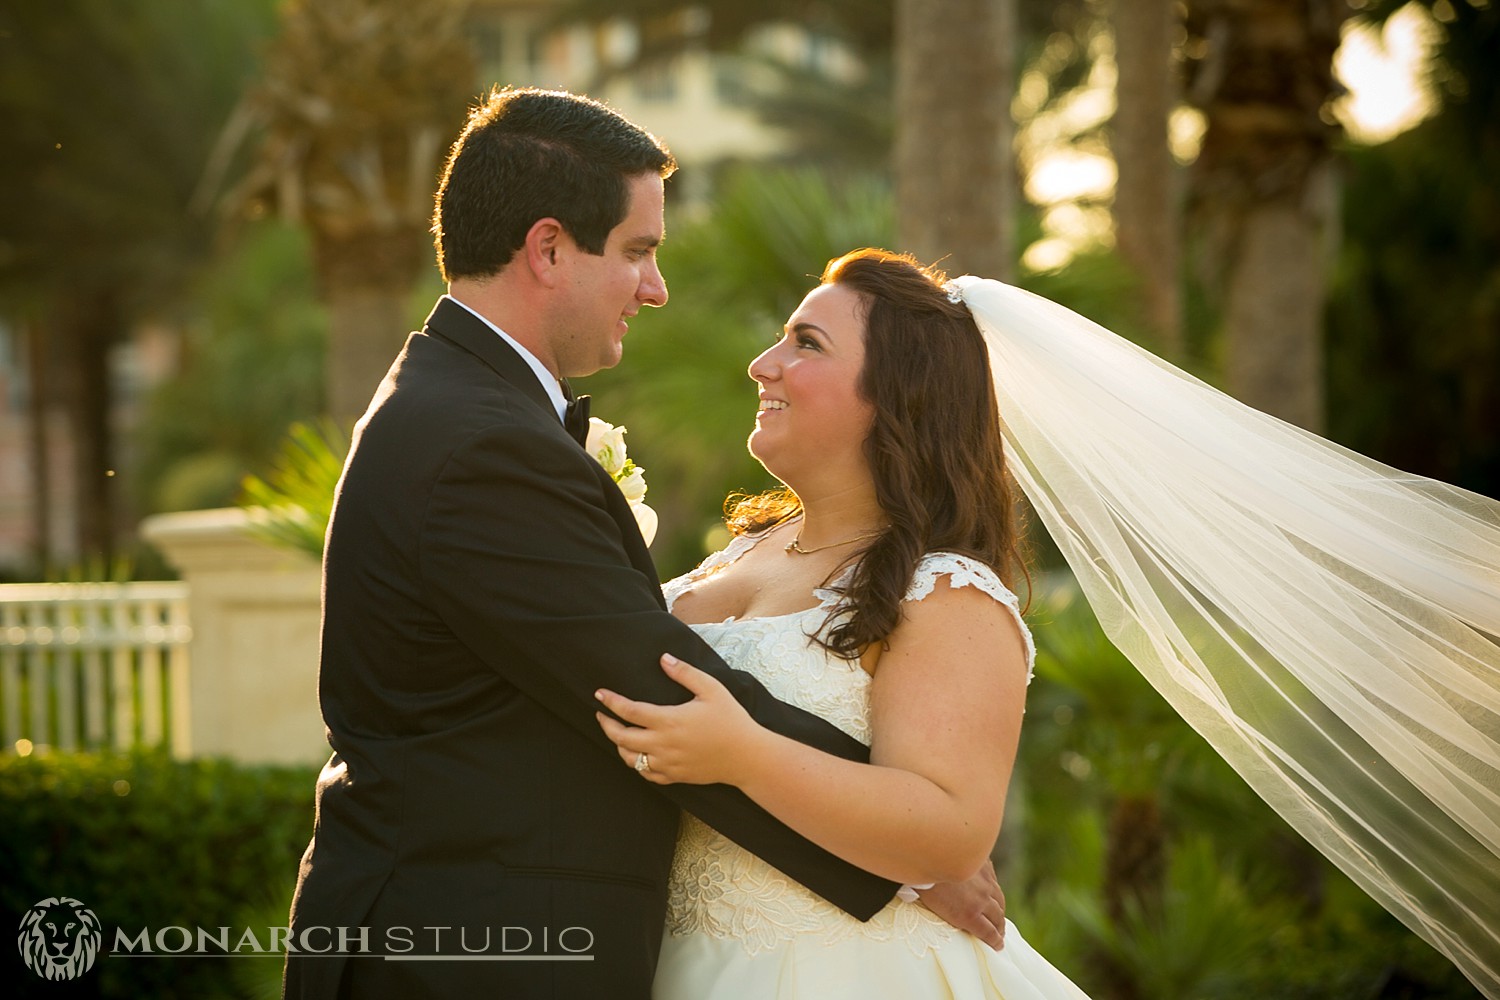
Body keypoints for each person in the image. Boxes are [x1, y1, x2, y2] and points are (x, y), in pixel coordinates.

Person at [595, 247, 1500, 998]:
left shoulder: (941, 594)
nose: (764, 363)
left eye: (807, 344)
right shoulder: (723, 561)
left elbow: (950, 828)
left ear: (896, 397)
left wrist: (746, 755)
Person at [282, 91, 1002, 1000]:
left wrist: (915, 836)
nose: (656, 288)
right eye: (638, 251)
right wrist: (908, 850)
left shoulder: (459, 408)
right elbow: (648, 683)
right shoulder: (480, 442)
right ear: (548, 249)